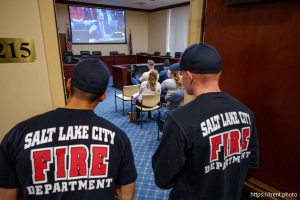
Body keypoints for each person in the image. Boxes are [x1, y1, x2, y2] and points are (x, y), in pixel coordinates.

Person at [0, 59, 137, 200]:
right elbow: (125, 192)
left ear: (68, 84)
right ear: (103, 96)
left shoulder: (16, 136)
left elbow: (6, 195)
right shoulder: (119, 138)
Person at [152, 43, 259, 200]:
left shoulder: (179, 120)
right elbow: (252, 163)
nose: (181, 77)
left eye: (181, 73)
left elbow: (163, 178)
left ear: (189, 75)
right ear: (218, 73)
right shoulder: (246, 113)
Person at [154, 63, 184, 136]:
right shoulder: (182, 84)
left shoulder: (167, 82)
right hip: (180, 108)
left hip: (171, 109)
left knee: (155, 113)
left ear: (172, 74)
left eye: (168, 72)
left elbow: (158, 90)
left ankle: (163, 131)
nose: (167, 73)